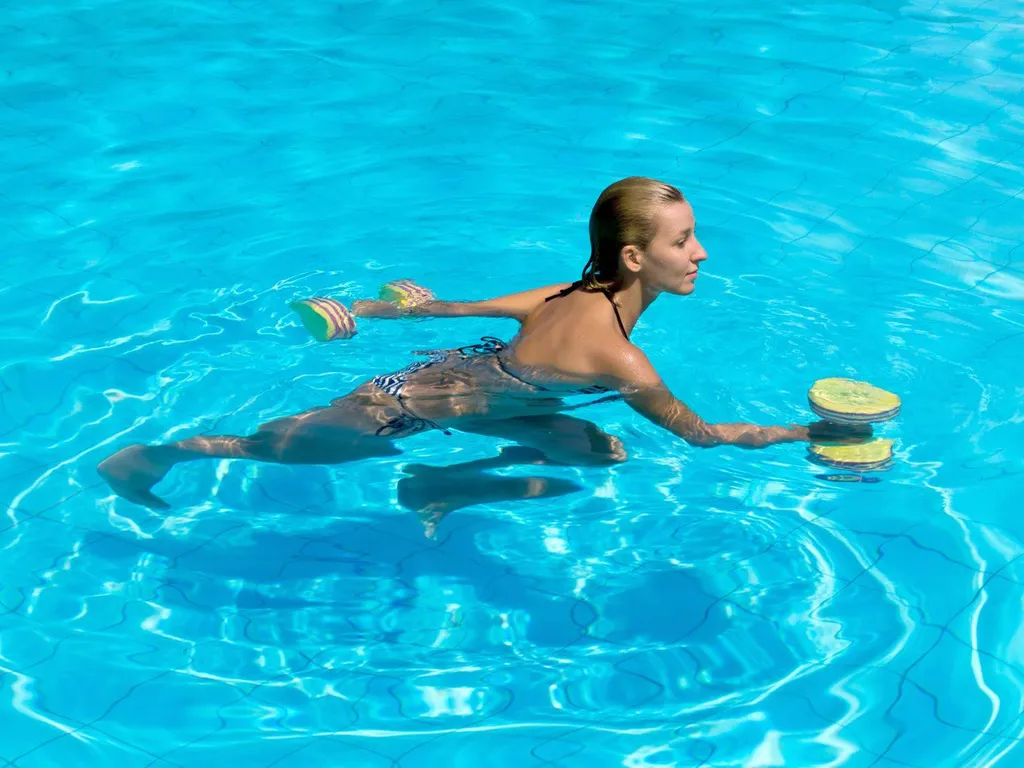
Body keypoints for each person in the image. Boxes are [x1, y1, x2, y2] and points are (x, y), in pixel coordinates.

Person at [98, 176, 866, 513]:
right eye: (685, 240)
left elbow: (446, 309)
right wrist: (811, 434)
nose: (701, 254)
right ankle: (160, 456)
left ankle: (442, 487)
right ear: (635, 259)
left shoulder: (568, 291)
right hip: (412, 407)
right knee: (285, 448)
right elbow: (701, 437)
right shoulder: (620, 358)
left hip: (477, 391)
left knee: (599, 453)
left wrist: (369, 309)